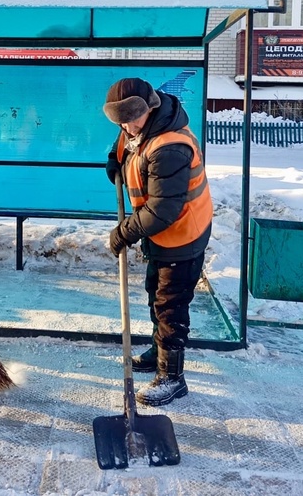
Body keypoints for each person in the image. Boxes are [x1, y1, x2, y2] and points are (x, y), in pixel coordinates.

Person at [102, 78, 213, 407]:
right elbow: (123, 142)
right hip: (162, 234)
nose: (126, 125)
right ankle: (158, 351)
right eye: (119, 119)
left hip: (182, 235)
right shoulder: (140, 126)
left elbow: (163, 209)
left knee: (171, 307)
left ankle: (173, 378)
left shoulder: (169, 147)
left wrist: (123, 233)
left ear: (149, 108)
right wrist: (114, 159)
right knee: (156, 294)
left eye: (131, 118)